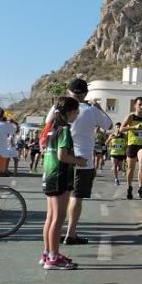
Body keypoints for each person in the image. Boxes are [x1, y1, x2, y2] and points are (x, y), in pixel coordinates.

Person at [48, 79, 112, 245]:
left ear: (69, 91)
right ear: (85, 93)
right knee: (77, 197)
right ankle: (71, 233)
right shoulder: (91, 110)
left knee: (59, 199)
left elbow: (48, 126)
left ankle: (55, 234)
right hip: (83, 160)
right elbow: (109, 125)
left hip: (60, 159)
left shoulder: (58, 107)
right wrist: (99, 108)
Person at [41, 97, 87, 269]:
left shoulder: (51, 129)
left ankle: (47, 253)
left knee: (50, 218)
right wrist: (78, 161)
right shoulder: (64, 130)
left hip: (49, 175)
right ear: (70, 113)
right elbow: (62, 156)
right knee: (58, 219)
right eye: (77, 112)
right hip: (60, 176)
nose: (77, 115)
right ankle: (53, 258)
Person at [122, 97, 142, 199]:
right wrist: (133, 127)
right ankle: (129, 187)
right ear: (135, 105)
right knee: (131, 168)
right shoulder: (131, 117)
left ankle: (140, 188)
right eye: (140, 104)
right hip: (132, 144)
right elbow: (121, 129)